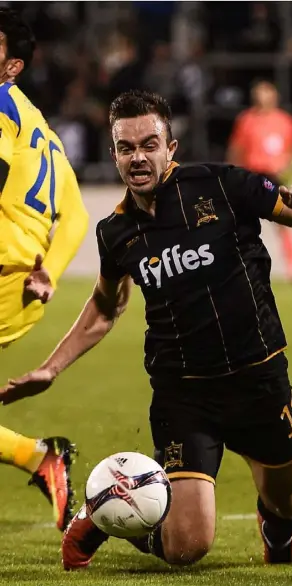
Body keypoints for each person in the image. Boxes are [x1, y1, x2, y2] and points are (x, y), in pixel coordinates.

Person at [0, 90, 292, 569]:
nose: (137, 157)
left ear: (171, 147)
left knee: (287, 506)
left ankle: (278, 535)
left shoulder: (223, 185)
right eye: (125, 148)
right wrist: (50, 369)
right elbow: (105, 307)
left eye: (148, 144)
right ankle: (100, 515)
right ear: (114, 153)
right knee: (187, 547)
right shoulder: (115, 232)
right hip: (184, 393)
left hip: (259, 377)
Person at [0, 8, 89, 531]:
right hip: (22, 282)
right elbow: (75, 214)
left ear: (11, 67)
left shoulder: (2, 105)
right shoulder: (43, 130)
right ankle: (39, 458)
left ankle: (40, 458)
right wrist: (51, 271)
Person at [227, 80, 292, 282]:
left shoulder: (284, 121)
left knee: (284, 221)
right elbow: (236, 149)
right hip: (252, 176)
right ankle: (237, 268)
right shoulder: (247, 120)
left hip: (273, 177)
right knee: (240, 223)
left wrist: (287, 165)